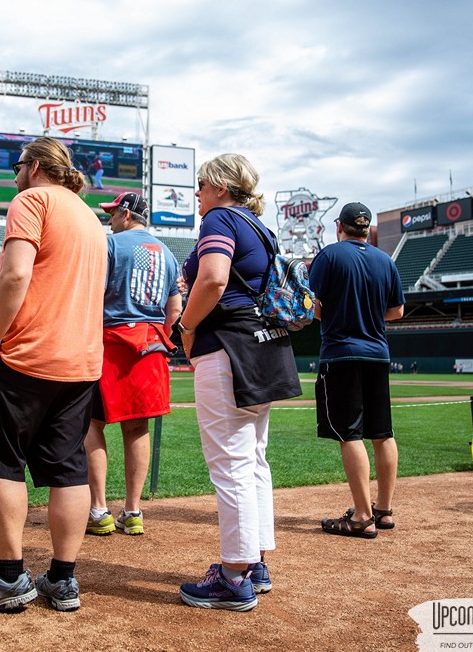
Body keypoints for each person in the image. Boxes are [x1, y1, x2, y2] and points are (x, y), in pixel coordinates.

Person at [0, 137, 107, 613]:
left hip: (24, 357)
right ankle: (62, 580)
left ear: (36, 166)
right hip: (80, 362)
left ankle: (7, 577)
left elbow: (15, 276)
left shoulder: (31, 199)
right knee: (68, 470)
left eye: (18, 166)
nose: (14, 175)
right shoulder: (90, 217)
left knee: (0, 462)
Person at [176, 153, 301, 611]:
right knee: (252, 460)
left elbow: (211, 279)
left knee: (230, 462)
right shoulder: (258, 225)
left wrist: (186, 328)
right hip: (263, 346)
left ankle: (233, 576)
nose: (197, 193)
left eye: (203, 184)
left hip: (228, 347)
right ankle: (255, 562)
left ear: (223, 187)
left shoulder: (220, 219)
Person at [84, 192, 180, 537]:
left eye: (112, 213)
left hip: (110, 342)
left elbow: (92, 293)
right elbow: (174, 310)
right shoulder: (167, 253)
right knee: (138, 429)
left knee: (92, 424)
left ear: (126, 214)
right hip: (151, 343)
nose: (109, 219)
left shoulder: (110, 245)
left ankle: (99, 511)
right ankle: (134, 511)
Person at [309, 201, 404, 540]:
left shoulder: (330, 256)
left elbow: (311, 304)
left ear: (341, 226)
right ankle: (384, 509)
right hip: (378, 354)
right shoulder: (384, 260)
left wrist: (334, 315)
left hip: (341, 354)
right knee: (383, 433)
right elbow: (397, 311)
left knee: (349, 433)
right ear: (366, 228)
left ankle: (362, 516)